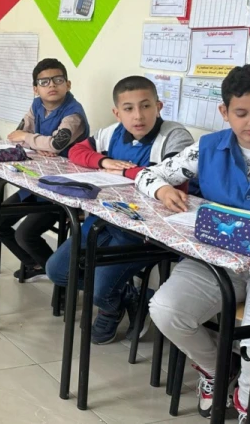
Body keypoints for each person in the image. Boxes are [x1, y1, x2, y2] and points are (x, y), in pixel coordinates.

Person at [139, 63, 250, 422]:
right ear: (225, 112)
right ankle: (218, 368)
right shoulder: (208, 148)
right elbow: (148, 175)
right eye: (241, 113)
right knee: (166, 309)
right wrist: (163, 189)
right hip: (218, 262)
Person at [45, 76, 194, 345]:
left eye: (146, 106)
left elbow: (169, 176)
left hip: (145, 233)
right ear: (117, 113)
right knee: (57, 271)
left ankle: (108, 306)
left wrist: (125, 171)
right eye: (128, 108)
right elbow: (76, 151)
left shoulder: (174, 136)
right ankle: (129, 297)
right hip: (105, 220)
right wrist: (103, 161)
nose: (138, 115)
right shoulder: (111, 133)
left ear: (158, 106)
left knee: (99, 289)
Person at [2, 58, 90, 282]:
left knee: (25, 234)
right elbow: (15, 136)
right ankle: (37, 264)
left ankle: (68, 280)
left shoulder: (73, 114)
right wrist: (38, 142)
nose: (51, 85)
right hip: (36, 181)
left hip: (63, 188)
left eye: (58, 80)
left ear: (68, 84)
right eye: (44, 82)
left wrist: (31, 139)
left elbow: (55, 144)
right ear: (36, 89)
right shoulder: (36, 106)